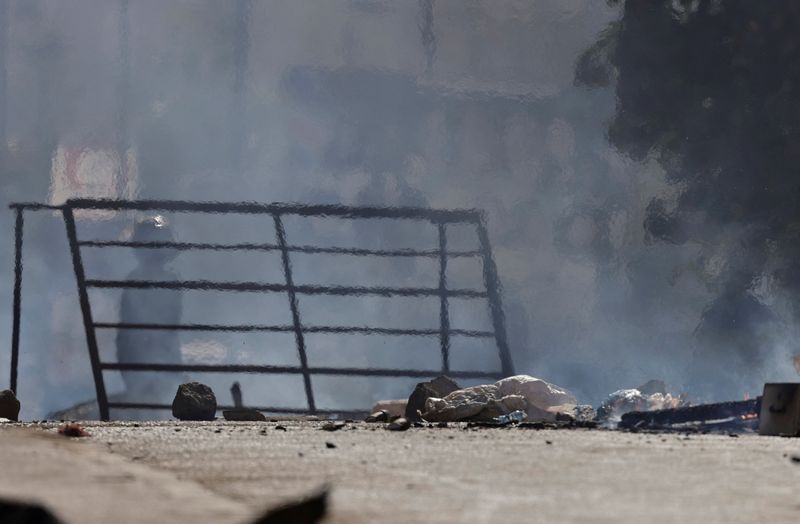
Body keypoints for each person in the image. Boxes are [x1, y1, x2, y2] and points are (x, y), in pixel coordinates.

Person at [116, 216, 183, 403]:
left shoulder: (171, 281)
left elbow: (171, 322)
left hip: (163, 357)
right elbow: (128, 325)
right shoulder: (135, 280)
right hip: (137, 357)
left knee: (162, 401)